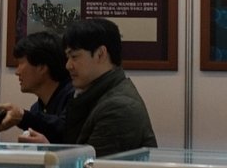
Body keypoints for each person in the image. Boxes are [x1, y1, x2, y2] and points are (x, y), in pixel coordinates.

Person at [60, 17, 157, 157]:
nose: (68, 65)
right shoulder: (97, 95)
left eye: (74, 56)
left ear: (100, 54)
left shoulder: (119, 108)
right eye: (67, 57)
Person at [0, 30, 74, 144]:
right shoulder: (36, 108)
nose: (17, 72)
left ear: (42, 67)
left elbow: (62, 129)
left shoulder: (74, 97)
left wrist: (21, 116)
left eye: (21, 63)